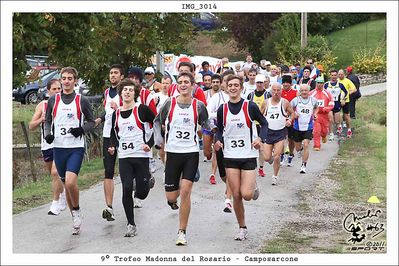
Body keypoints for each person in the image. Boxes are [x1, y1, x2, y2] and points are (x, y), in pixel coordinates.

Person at [154, 72, 209, 246]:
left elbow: (206, 124)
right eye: (180, 82)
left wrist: (215, 132)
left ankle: (182, 231)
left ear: (193, 85)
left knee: (186, 191)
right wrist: (158, 141)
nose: (183, 84)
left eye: (186, 82)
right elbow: (157, 122)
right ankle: (172, 200)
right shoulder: (169, 103)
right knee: (172, 196)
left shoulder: (198, 105)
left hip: (191, 153)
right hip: (172, 153)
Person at [214, 74, 267, 241]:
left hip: (248, 155)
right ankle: (242, 227)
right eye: (230, 85)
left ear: (241, 88)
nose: (233, 88)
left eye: (236, 85)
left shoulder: (249, 106)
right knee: (236, 194)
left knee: (246, 195)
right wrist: (218, 141)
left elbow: (264, 123)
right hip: (230, 156)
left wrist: (260, 139)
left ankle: (252, 185)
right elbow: (221, 131)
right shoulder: (222, 109)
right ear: (226, 87)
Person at [44, 67, 95, 235]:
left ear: (75, 80)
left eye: (69, 78)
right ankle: (74, 216)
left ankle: (77, 209)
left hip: (75, 148)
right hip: (59, 147)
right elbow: (48, 120)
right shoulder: (54, 100)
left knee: (71, 182)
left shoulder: (82, 100)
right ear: (60, 80)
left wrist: (81, 130)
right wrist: (48, 134)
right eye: (63, 78)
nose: (66, 81)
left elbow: (91, 122)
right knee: (66, 184)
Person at [107, 78, 155, 237]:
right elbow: (113, 133)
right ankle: (131, 224)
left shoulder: (142, 109)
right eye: (124, 90)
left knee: (142, 193)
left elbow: (156, 125)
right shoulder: (116, 114)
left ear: (135, 93)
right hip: (125, 156)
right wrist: (113, 145)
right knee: (126, 188)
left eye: (130, 90)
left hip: (141, 155)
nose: (127, 92)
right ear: (120, 93)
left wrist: (150, 143)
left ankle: (147, 178)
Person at [29, 79, 66, 216]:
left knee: (55, 173)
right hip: (46, 145)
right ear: (48, 91)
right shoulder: (43, 105)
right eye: (54, 89)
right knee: (54, 174)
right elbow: (31, 126)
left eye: (59, 89)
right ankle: (62, 193)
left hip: (61, 144)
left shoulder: (65, 104)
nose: (57, 92)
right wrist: (41, 120)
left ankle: (55, 202)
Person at [94, 64, 124, 222]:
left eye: (116, 73)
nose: (113, 75)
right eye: (111, 73)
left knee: (128, 169)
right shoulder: (107, 92)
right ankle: (109, 207)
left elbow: (131, 109)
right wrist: (100, 118)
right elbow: (108, 110)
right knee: (109, 170)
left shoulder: (126, 90)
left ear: (121, 76)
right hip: (108, 134)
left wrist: (118, 107)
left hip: (125, 135)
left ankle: (137, 192)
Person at [206, 70, 234, 212]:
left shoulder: (245, 100)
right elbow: (207, 114)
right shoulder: (217, 98)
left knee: (232, 168)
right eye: (227, 82)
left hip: (236, 139)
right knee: (224, 174)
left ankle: (228, 199)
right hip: (221, 135)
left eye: (233, 83)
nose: (231, 86)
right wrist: (214, 125)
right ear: (224, 84)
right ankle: (230, 186)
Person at [261, 82, 294, 185]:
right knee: (266, 158)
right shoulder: (266, 103)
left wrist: (289, 120)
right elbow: (259, 115)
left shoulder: (285, 103)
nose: (276, 92)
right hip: (268, 132)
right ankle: (270, 159)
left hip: (280, 132)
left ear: (281, 91)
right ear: (271, 91)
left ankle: (275, 176)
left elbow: (293, 113)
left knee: (276, 156)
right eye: (274, 90)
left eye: (278, 90)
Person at [291, 84, 319, 174]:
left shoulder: (313, 100)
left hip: (308, 126)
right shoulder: (296, 100)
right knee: (297, 147)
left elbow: (317, 108)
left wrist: (315, 114)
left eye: (305, 90)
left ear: (308, 91)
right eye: (302, 90)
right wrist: (294, 113)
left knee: (306, 144)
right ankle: (299, 150)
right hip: (297, 126)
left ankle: (303, 165)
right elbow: (289, 108)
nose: (304, 92)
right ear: (300, 91)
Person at [247, 74, 270, 177]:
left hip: (262, 124)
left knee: (261, 147)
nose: (260, 85)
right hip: (252, 124)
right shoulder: (250, 95)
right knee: (251, 146)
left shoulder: (268, 95)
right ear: (255, 83)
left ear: (264, 83)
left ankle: (261, 167)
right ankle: (251, 166)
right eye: (258, 83)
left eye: (261, 82)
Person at [310, 76, 335, 150]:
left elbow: (331, 103)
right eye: (318, 83)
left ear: (323, 84)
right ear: (316, 83)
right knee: (316, 130)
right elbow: (308, 103)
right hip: (316, 115)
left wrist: (326, 108)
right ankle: (317, 145)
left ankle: (324, 136)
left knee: (324, 130)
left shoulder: (327, 93)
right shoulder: (311, 93)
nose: (319, 84)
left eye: (321, 83)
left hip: (324, 115)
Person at [324, 69, 348, 141]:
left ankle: (339, 130)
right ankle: (331, 134)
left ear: (337, 76)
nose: (333, 77)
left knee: (337, 121)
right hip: (329, 105)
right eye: (332, 75)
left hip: (337, 104)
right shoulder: (326, 85)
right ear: (330, 76)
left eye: (335, 75)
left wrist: (343, 99)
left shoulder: (340, 85)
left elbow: (346, 93)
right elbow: (323, 93)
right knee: (330, 119)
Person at [280, 75, 298, 167]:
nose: (285, 84)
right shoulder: (279, 92)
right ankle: (282, 154)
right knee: (282, 138)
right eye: (284, 82)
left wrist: (296, 113)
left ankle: (291, 154)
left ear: (290, 83)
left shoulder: (295, 92)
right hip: (281, 118)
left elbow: (298, 105)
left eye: (287, 82)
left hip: (292, 118)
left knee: (291, 139)